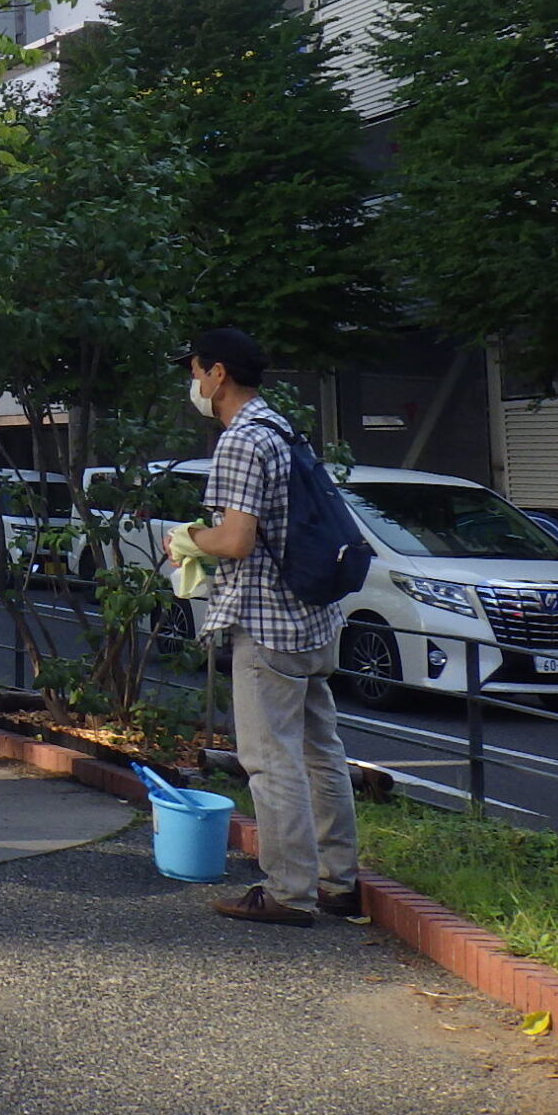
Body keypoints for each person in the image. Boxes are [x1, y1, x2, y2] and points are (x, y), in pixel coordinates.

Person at [173, 326, 361, 925]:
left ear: (218, 374)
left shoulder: (241, 439)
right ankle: (338, 881)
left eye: (196, 371)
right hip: (313, 617)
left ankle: (288, 892)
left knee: (269, 761)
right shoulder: (282, 429)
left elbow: (235, 539)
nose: (193, 383)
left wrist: (187, 538)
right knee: (321, 753)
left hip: (267, 623)